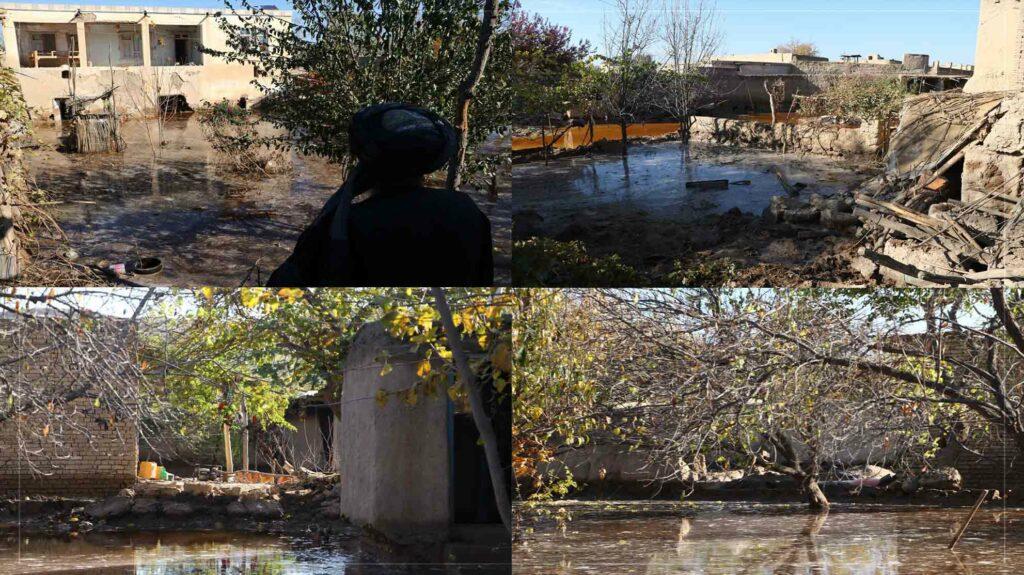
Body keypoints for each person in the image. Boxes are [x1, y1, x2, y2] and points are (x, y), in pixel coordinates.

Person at [267, 103, 493, 286]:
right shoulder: (465, 209)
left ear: (366, 162)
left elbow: (283, 281)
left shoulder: (345, 224)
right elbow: (484, 275)